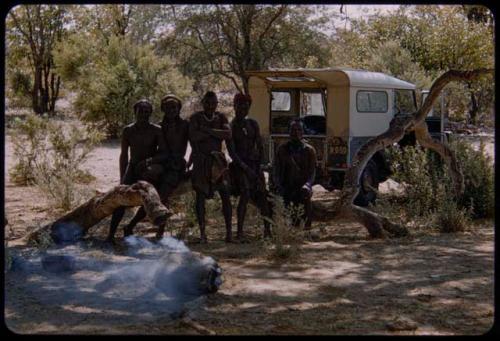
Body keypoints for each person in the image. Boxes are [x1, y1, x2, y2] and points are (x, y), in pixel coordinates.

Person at [123, 95, 190, 238]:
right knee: (152, 194)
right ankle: (149, 228)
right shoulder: (159, 126)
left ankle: (135, 225)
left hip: (176, 166)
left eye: (174, 107)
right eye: (167, 107)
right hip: (160, 165)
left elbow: (195, 144)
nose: (171, 110)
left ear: (179, 109)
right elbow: (158, 150)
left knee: (161, 195)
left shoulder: (185, 125)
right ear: (162, 109)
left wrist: (190, 162)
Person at [106, 99, 166, 242]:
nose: (144, 115)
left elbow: (164, 153)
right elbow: (124, 155)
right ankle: (110, 235)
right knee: (121, 200)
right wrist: (122, 178)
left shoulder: (156, 130)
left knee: (149, 199)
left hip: (148, 170)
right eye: (141, 111)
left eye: (147, 112)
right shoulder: (128, 130)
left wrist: (149, 161)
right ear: (135, 112)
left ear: (150, 113)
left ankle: (130, 226)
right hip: (132, 168)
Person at [189, 91, 233, 243]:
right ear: (203, 103)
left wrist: (206, 130)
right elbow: (193, 137)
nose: (210, 106)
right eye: (207, 103)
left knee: (225, 194)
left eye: (213, 103)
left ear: (217, 104)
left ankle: (229, 233)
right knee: (200, 197)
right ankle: (202, 234)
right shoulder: (195, 118)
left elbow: (227, 134)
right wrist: (215, 134)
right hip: (201, 161)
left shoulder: (221, 117)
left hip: (218, 162)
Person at [227, 93, 272, 240]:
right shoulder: (231, 127)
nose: (243, 110)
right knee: (245, 192)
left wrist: (259, 166)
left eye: (246, 107)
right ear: (234, 106)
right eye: (240, 106)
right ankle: (239, 232)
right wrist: (245, 168)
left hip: (254, 165)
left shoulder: (253, 124)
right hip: (239, 166)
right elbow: (232, 152)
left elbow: (259, 146)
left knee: (262, 195)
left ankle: (268, 230)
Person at [273, 120, 317, 229]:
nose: (296, 132)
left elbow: (312, 172)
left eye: (299, 130)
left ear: (302, 132)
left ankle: (306, 228)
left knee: (305, 199)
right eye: (293, 130)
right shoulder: (282, 150)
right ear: (289, 132)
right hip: (286, 186)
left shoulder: (309, 150)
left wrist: (307, 185)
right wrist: (278, 186)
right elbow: (276, 171)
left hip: (302, 187)